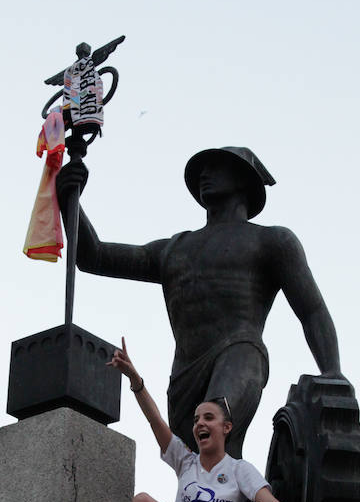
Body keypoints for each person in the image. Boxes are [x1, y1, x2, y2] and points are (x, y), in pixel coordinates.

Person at [56, 146, 344, 458]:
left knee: (216, 422)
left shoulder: (273, 241)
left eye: (216, 167)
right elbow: (93, 257)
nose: (204, 175)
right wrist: (68, 200)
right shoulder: (174, 249)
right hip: (185, 375)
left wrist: (332, 373)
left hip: (240, 354)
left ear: (244, 181)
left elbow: (312, 310)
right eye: (202, 171)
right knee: (201, 466)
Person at [108, 339, 298, 502]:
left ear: (226, 428)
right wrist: (134, 379)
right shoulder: (186, 462)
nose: (200, 424)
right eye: (196, 419)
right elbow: (155, 420)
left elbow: (269, 501)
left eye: (208, 418)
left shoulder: (239, 469)